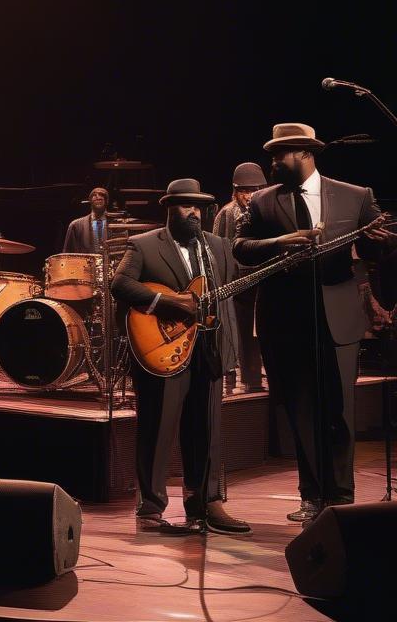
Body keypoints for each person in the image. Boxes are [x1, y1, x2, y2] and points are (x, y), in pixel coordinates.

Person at [234, 123, 393, 522]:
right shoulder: (263, 202)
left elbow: (383, 245)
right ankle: (311, 495)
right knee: (301, 411)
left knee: (339, 409)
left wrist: (375, 241)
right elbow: (240, 249)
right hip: (286, 322)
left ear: (305, 153)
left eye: (279, 155)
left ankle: (341, 496)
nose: (273, 163)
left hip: (337, 318)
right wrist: (279, 243)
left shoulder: (356, 196)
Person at [111, 178, 248, 534]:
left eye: (199, 207)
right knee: (157, 429)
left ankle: (205, 504)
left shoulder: (217, 246)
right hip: (162, 348)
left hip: (207, 347)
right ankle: (150, 509)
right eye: (186, 206)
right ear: (170, 208)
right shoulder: (144, 245)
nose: (194, 213)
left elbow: (238, 281)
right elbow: (120, 284)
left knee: (206, 428)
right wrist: (169, 302)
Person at [213, 162, 268, 393]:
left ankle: (256, 378)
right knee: (240, 331)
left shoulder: (265, 211)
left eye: (254, 190)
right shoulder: (226, 213)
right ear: (235, 192)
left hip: (263, 276)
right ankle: (241, 378)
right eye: (244, 191)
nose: (249, 196)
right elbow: (216, 246)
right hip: (236, 280)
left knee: (261, 330)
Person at [63, 187, 111, 253]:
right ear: (90, 201)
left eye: (102, 195)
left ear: (107, 201)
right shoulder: (76, 225)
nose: (98, 197)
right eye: (94, 195)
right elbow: (68, 253)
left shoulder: (117, 225)